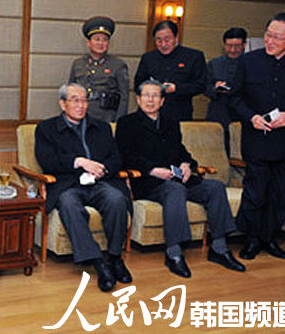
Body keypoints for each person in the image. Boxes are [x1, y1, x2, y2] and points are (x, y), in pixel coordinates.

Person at [116, 79, 245, 277]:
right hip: (149, 182)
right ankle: (174, 254)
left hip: (178, 179)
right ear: (138, 99)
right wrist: (152, 170)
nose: (150, 100)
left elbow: (181, 151)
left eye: (155, 96)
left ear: (162, 101)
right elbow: (124, 156)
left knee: (215, 187)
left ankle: (219, 249)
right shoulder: (127, 123)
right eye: (146, 95)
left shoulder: (170, 122)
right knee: (175, 190)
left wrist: (188, 165)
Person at [229, 12, 285, 261]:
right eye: (268, 35)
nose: (270, 41)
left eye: (278, 38)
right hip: (257, 139)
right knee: (255, 192)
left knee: (279, 196)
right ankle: (251, 240)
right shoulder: (249, 61)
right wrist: (251, 117)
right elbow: (235, 98)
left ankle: (269, 238)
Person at [34, 83, 132, 292]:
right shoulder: (47, 129)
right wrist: (78, 162)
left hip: (100, 182)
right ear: (63, 104)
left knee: (116, 199)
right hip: (68, 184)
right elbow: (47, 160)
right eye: (74, 100)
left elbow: (117, 159)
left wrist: (102, 169)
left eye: (84, 100)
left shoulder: (102, 127)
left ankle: (114, 257)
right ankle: (98, 262)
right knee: (69, 204)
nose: (81, 105)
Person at [134, 20, 206, 122]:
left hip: (178, 113)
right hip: (150, 114)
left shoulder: (193, 56)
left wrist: (176, 88)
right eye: (159, 40)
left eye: (167, 40)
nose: (163, 44)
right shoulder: (148, 57)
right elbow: (138, 84)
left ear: (176, 38)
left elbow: (201, 85)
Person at [68, 16, 129, 122]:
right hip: (81, 116)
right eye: (97, 39)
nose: (101, 43)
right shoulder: (78, 64)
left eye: (105, 40)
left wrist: (118, 122)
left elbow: (124, 97)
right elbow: (70, 92)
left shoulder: (118, 65)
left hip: (107, 117)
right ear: (88, 43)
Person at [205, 27, 247, 156]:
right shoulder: (214, 64)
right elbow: (204, 87)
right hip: (218, 113)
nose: (233, 50)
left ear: (244, 45)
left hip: (243, 114)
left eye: (237, 46)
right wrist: (214, 88)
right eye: (229, 46)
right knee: (215, 151)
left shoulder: (252, 62)